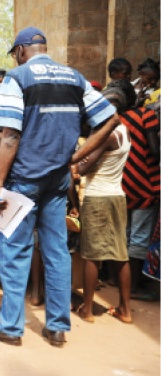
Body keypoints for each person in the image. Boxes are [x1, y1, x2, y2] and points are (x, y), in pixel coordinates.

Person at [0, 27, 120, 347]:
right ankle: (57, 327)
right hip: (58, 181)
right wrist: (76, 157)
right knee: (56, 250)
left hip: (22, 180)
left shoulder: (17, 78)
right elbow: (111, 119)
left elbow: (10, 136)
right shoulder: (74, 76)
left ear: (20, 51)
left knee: (14, 252)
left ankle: (11, 329)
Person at [76, 88, 132, 323]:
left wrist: (79, 156)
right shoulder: (124, 131)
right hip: (116, 196)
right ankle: (125, 310)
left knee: (91, 254)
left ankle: (88, 310)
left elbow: (82, 168)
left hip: (98, 197)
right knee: (120, 254)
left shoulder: (106, 134)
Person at [110, 79, 160, 300]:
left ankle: (117, 280)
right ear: (134, 97)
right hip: (145, 184)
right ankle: (133, 287)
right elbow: (154, 150)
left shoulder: (115, 120)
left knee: (124, 235)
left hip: (121, 184)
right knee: (139, 238)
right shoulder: (145, 116)